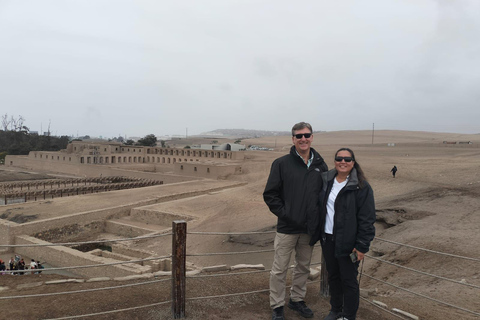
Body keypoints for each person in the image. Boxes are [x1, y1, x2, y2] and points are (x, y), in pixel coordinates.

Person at [264, 122, 328, 320]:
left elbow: (323, 196)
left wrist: (317, 220)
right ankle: (277, 306)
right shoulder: (281, 163)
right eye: (298, 136)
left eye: (306, 135)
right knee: (279, 269)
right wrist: (287, 214)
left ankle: (297, 300)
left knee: (303, 267)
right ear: (293, 139)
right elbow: (270, 194)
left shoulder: (320, 165)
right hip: (287, 228)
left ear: (312, 137)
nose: (303, 139)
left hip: (309, 229)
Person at [311, 148, 375, 320]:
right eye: (339, 158)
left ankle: (348, 316)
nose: (343, 162)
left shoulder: (361, 186)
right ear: (335, 161)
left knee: (349, 281)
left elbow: (367, 219)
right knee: (334, 277)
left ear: (353, 162)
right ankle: (336, 310)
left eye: (347, 159)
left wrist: (361, 246)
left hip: (348, 243)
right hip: (328, 239)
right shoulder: (327, 181)